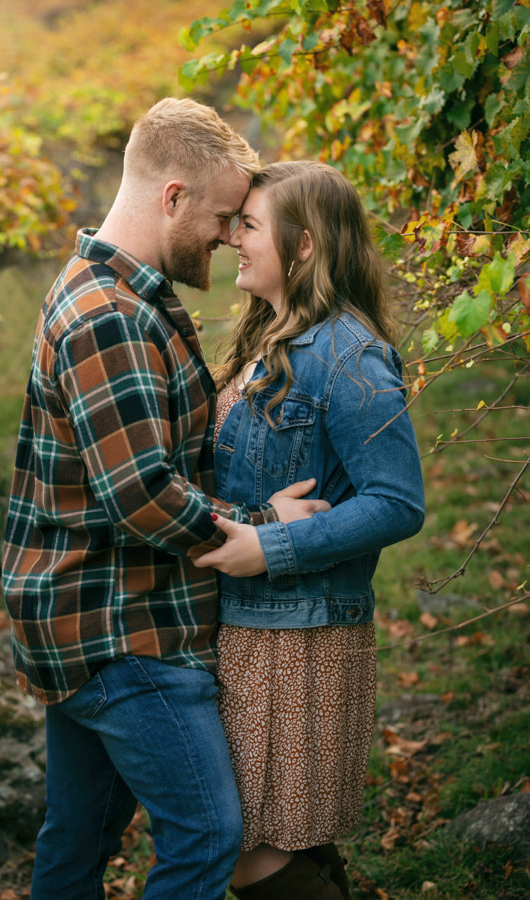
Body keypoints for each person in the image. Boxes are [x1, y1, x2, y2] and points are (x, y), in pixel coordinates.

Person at [2, 100, 327, 900]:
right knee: (208, 832)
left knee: (77, 838)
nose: (227, 235)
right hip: (121, 628)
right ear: (172, 196)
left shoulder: (116, 291)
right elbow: (141, 494)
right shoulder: (107, 316)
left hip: (82, 616)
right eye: (221, 216)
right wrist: (264, 527)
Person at [193, 160, 426, 900]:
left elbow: (396, 500)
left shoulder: (347, 353)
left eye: (250, 225)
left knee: (241, 844)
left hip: (295, 635)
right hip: (253, 628)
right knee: (275, 833)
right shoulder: (267, 337)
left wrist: (271, 545)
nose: (233, 238)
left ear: (302, 246)